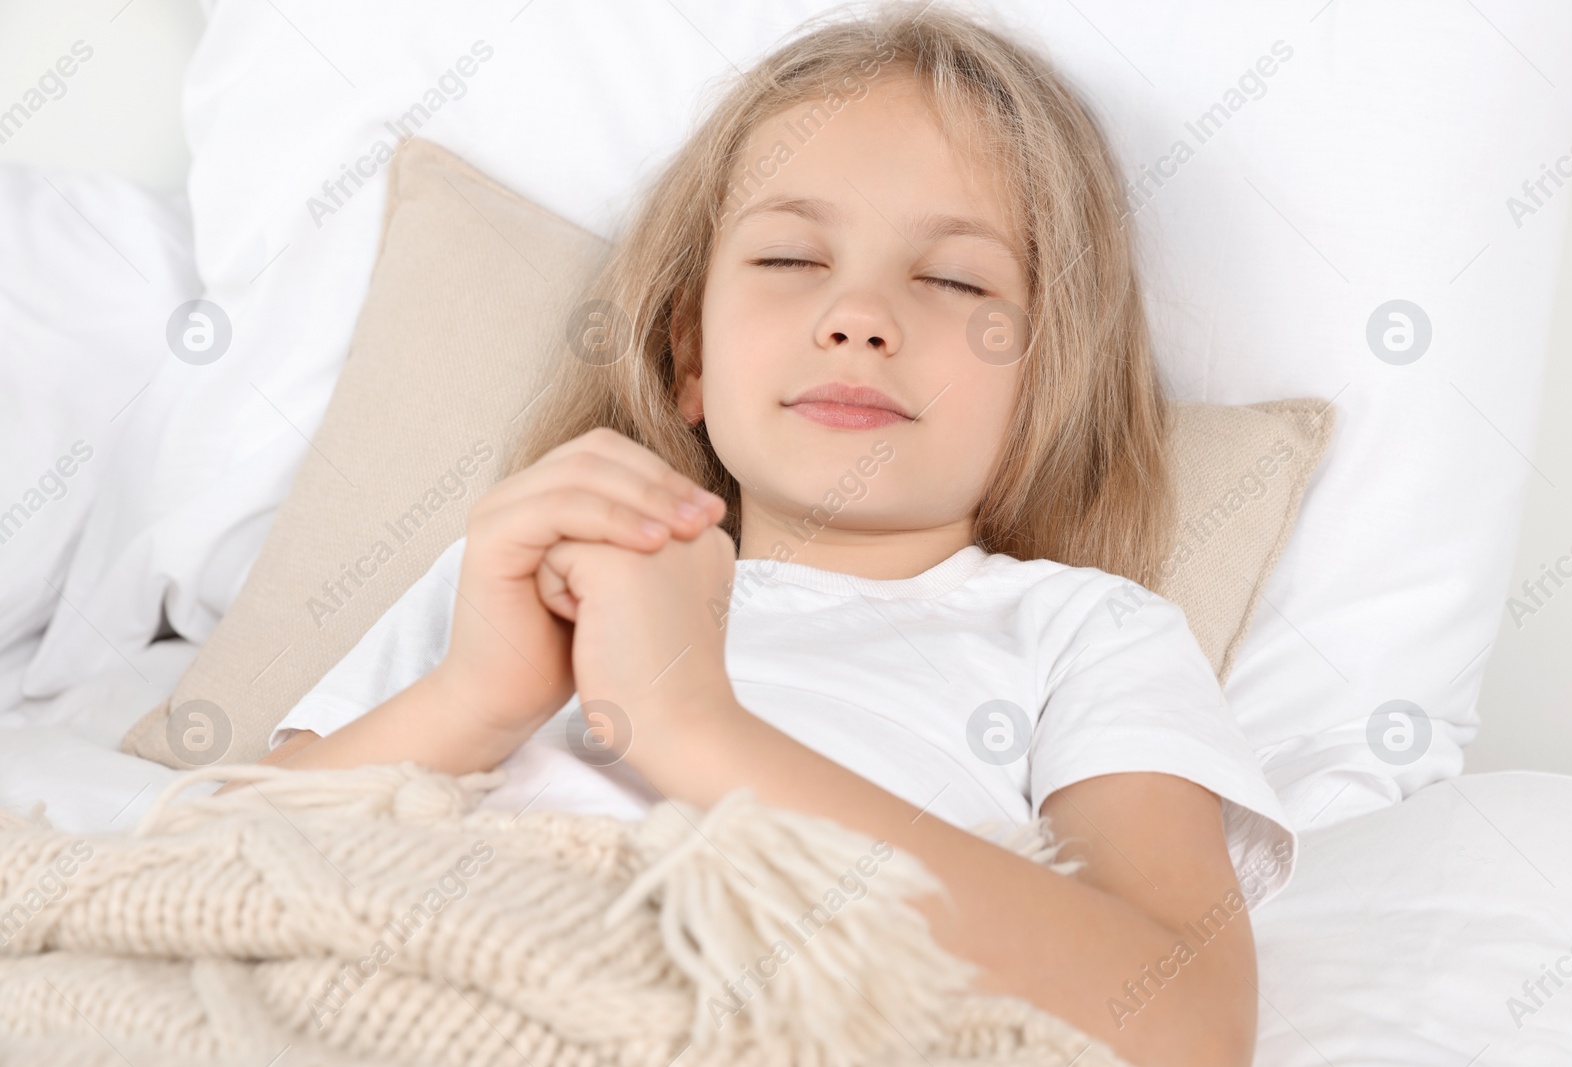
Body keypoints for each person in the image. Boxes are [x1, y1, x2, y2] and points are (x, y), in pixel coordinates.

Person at [231, 5, 1295, 1063]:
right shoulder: (525, 564)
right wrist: (477, 697)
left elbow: (1185, 1025)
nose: (858, 315)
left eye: (954, 279)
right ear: (688, 352)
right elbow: (209, 873)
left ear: (1046, 386)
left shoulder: (1087, 631)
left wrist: (688, 724)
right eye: (790, 258)